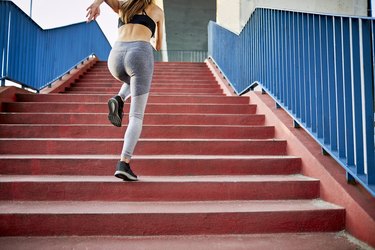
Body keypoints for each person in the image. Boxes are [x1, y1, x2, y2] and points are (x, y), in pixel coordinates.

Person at [86, 0, 164, 181]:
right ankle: (124, 163)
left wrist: (96, 4)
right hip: (139, 53)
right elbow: (158, 46)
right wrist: (148, 32)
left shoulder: (125, 4)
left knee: (133, 80)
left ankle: (120, 97)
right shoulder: (157, 11)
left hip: (115, 57)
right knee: (136, 116)